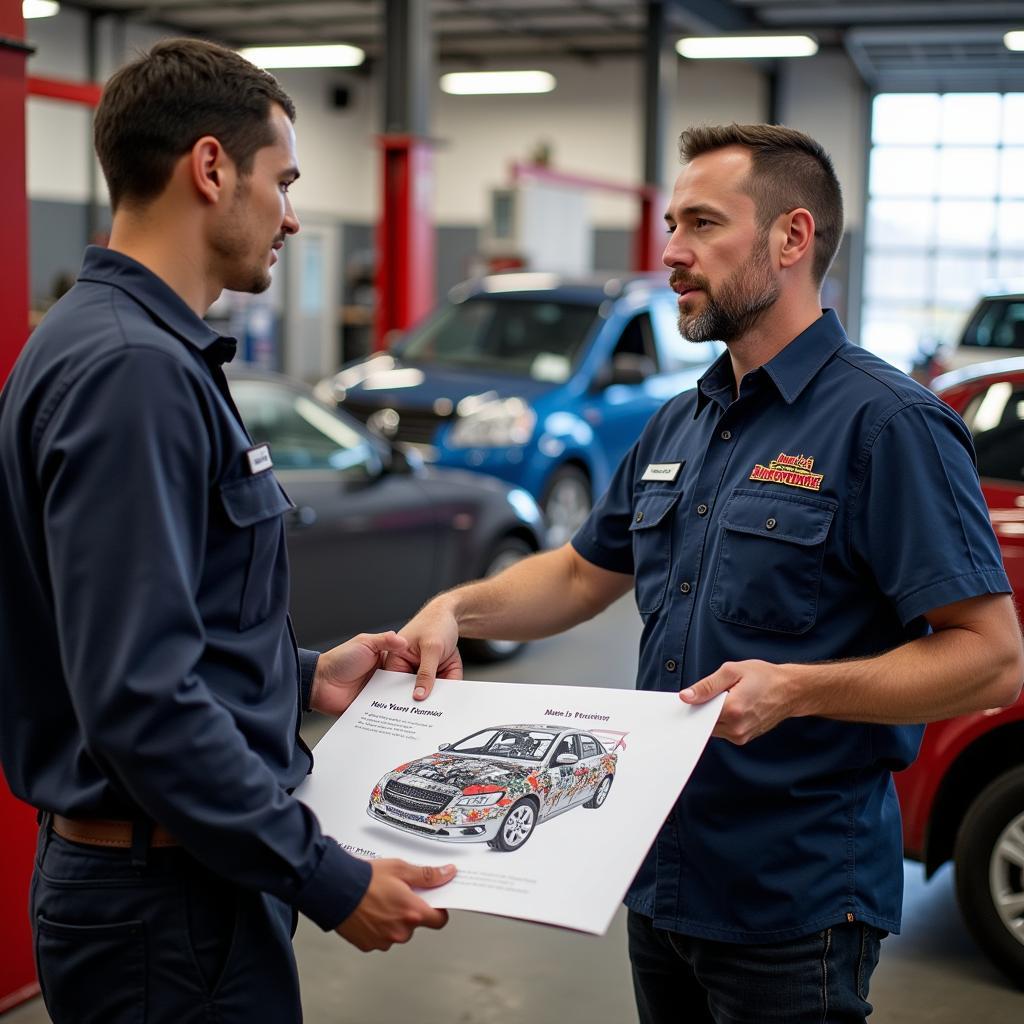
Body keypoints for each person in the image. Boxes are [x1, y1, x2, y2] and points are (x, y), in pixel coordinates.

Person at [389, 123, 1024, 1023]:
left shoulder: (889, 426)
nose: (672, 253)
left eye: (701, 225)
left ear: (791, 238)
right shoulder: (680, 424)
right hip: (661, 877)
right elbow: (578, 576)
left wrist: (796, 691)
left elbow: (992, 658)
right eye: (671, 225)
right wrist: (458, 609)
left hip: (792, 903)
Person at [0, 38, 454, 1024]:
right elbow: (139, 698)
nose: (292, 215)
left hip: (168, 887)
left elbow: (147, 634)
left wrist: (304, 675)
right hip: (165, 912)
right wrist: (325, 876)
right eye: (283, 180)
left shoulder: (115, 348)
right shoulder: (133, 373)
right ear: (211, 168)